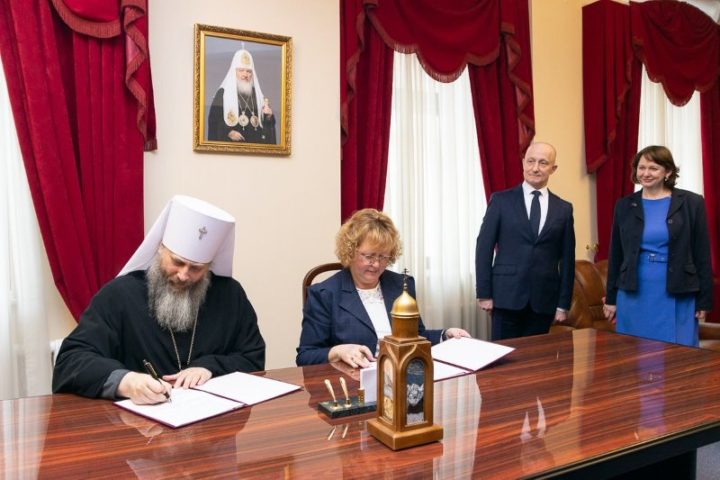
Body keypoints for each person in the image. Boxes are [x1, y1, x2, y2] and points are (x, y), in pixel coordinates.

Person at [53, 195, 266, 404]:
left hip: (214, 421)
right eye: (177, 262)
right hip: (138, 422)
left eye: (196, 268)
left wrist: (210, 367)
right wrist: (127, 381)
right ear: (160, 250)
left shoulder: (230, 296)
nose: (183, 275)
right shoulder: (118, 295)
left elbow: (253, 357)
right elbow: (71, 360)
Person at [296, 208, 470, 367]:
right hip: (353, 380)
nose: (376, 264)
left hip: (401, 374)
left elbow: (415, 337)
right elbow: (305, 356)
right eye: (369, 256)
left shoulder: (402, 285)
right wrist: (337, 351)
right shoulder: (325, 294)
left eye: (383, 257)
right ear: (350, 251)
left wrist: (445, 335)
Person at [603, 145, 712, 346]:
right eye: (641, 168)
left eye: (653, 168)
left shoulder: (692, 203)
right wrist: (611, 298)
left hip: (678, 288)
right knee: (633, 353)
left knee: (677, 354)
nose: (646, 173)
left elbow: (702, 254)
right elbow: (616, 254)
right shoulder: (624, 205)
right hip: (633, 291)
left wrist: (704, 299)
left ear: (667, 172)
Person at [475, 141, 575, 340]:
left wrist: (562, 304)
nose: (535, 168)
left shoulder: (563, 209)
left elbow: (567, 260)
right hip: (506, 297)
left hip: (543, 301)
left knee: (536, 357)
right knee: (503, 356)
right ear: (523, 163)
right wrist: (484, 293)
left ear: (553, 168)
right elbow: (483, 248)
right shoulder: (501, 201)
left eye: (543, 163)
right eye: (530, 161)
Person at [207, 48, 277, 144]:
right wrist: (228, 132)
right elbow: (214, 122)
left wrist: (268, 117)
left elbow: (265, 127)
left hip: (255, 147)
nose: (245, 74)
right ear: (234, 71)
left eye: (249, 71)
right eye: (241, 70)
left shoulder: (257, 95)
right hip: (232, 147)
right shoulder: (223, 93)